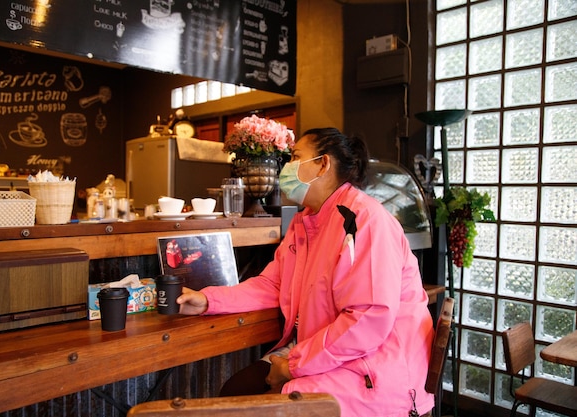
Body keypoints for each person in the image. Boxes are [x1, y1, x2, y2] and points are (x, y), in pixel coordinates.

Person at [177, 127, 435, 417]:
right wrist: (208, 300)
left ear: (323, 164)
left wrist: (292, 366)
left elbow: (368, 319)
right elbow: (273, 284)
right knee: (233, 392)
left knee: (262, 406)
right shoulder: (305, 222)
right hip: (329, 355)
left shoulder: (365, 219)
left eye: (295, 157)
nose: (287, 167)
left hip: (377, 369)